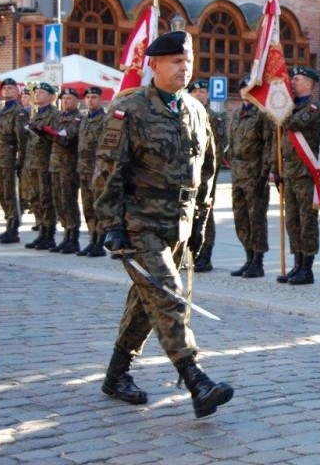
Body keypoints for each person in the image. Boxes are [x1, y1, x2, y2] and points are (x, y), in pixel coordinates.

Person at [94, 30, 232, 417]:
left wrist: (202, 221)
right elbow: (108, 171)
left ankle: (116, 375)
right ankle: (196, 379)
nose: (183, 68)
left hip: (179, 226)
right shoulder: (131, 109)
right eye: (175, 61)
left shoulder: (196, 110)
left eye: (187, 61)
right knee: (168, 295)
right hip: (140, 224)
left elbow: (206, 172)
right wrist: (111, 224)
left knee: (146, 301)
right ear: (154, 65)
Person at [277, 66, 320, 285]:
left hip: (306, 172)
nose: (292, 83)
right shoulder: (293, 106)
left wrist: (280, 102)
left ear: (308, 83)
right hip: (289, 172)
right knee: (292, 221)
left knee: (307, 221)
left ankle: (307, 268)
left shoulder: (314, 107)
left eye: (295, 79)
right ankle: (296, 265)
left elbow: (293, 123)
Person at [228, 76, 276, 278]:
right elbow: (232, 144)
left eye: (249, 88)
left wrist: (264, 174)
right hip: (238, 173)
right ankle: (248, 257)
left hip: (255, 173)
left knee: (256, 218)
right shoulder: (238, 114)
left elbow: (268, 146)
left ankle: (258, 261)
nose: (245, 92)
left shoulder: (263, 115)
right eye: (242, 88)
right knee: (240, 218)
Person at [188, 79, 228, 273]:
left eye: (202, 92)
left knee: (205, 212)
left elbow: (217, 151)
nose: (198, 95)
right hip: (187, 174)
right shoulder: (184, 116)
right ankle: (189, 252)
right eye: (194, 92)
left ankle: (205, 253)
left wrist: (206, 174)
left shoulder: (214, 118)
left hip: (205, 175)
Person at [43, 88, 83, 254]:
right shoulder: (59, 117)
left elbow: (68, 139)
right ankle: (66, 234)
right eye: (64, 98)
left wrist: (54, 135)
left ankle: (73, 237)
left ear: (76, 101)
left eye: (69, 98)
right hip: (55, 164)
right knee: (58, 200)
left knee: (68, 200)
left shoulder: (79, 118)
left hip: (68, 166)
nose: (66, 101)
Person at [23, 82, 59, 250]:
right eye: (36, 92)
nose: (37, 95)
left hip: (45, 162)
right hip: (32, 162)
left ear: (52, 97)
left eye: (42, 92)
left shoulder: (54, 114)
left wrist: (42, 130)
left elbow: (57, 138)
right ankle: (41, 231)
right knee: (34, 198)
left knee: (46, 198)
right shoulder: (36, 114)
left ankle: (49, 234)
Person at [0, 78, 26, 244]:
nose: (6, 91)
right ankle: (8, 224)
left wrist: (20, 159)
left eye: (10, 88)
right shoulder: (0, 110)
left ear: (17, 91)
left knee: (10, 193)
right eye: (4, 88)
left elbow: (22, 139)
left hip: (10, 156)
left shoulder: (18, 111)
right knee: (1, 193)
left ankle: (13, 227)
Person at [76, 87, 108, 257]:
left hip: (98, 171)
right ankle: (92, 238)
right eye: (87, 97)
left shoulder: (105, 119)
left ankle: (100, 242)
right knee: (87, 207)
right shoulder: (84, 119)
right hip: (83, 169)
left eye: (94, 97)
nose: (90, 100)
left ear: (101, 99)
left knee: (98, 207)